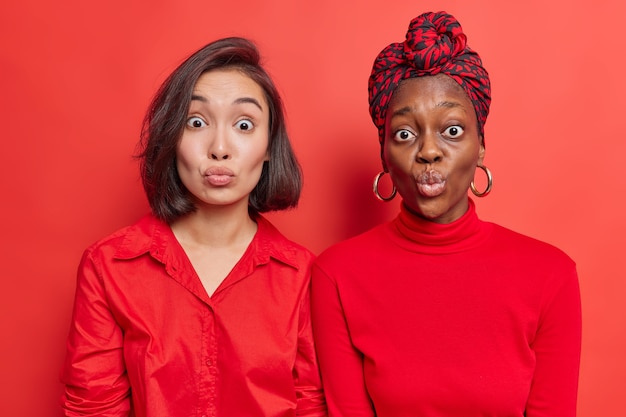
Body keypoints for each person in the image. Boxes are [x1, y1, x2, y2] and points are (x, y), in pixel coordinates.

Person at [310, 11, 581, 417]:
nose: (429, 151)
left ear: (481, 146)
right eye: (404, 134)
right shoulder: (336, 275)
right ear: (383, 151)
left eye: (452, 130)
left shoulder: (551, 275)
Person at [61, 37, 326, 417]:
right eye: (196, 122)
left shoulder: (303, 276)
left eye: (244, 124)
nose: (219, 147)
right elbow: (93, 406)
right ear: (172, 137)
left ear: (269, 146)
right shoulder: (109, 267)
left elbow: (311, 405)